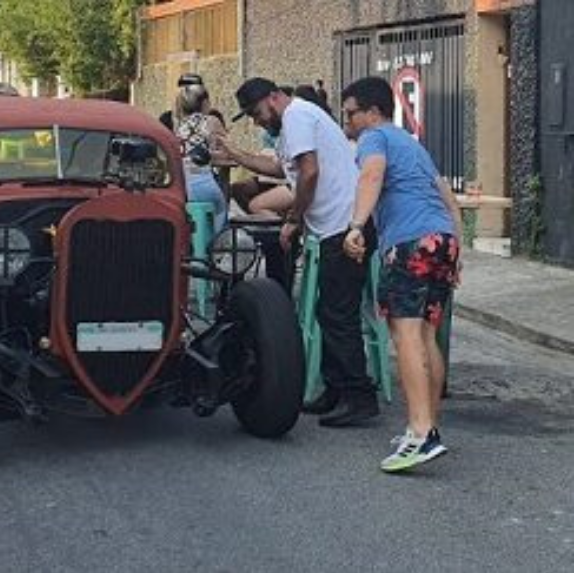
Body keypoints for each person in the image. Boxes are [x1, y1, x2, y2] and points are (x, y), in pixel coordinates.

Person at [215, 77, 379, 426]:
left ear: (274, 98)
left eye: (257, 113)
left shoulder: (297, 117)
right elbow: (281, 168)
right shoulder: (294, 125)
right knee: (329, 311)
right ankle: (336, 390)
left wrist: (294, 218)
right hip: (337, 227)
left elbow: (309, 172)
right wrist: (235, 154)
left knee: (338, 315)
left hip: (343, 226)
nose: (258, 121)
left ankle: (358, 396)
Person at [340, 76, 461, 473]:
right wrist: (455, 254)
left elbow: (371, 176)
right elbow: (447, 199)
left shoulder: (374, 139)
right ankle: (429, 428)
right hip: (440, 239)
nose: (347, 124)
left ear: (373, 112)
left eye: (350, 114)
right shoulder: (413, 144)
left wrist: (356, 225)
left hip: (409, 241)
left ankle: (421, 431)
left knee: (405, 334)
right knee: (427, 334)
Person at [174, 82, 228, 231]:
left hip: (184, 188)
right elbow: (228, 153)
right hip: (207, 184)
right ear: (205, 102)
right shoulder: (211, 121)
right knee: (222, 209)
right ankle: (219, 246)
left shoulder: (179, 126)